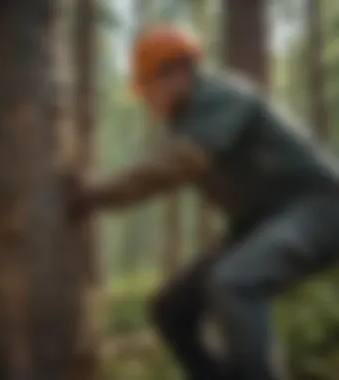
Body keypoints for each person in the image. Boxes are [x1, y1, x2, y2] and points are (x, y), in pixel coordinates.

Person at [66, 24, 339, 380]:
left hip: (319, 210)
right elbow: (164, 167)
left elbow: (177, 163)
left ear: (175, 75)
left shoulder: (221, 97)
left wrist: (95, 192)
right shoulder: (187, 121)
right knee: (171, 308)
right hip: (263, 223)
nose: (146, 100)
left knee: (234, 282)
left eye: (146, 88)